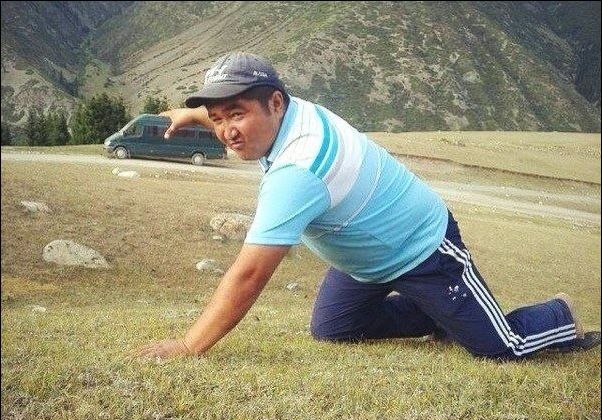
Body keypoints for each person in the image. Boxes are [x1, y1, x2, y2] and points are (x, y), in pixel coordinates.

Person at [136, 52, 600, 360]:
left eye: (236, 115)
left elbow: (250, 274)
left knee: (499, 348)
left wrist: (189, 346)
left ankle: (558, 315)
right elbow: (230, 116)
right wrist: (193, 114)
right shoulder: (287, 112)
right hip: (363, 262)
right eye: (217, 119)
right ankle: (437, 313)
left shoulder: (298, 169)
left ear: (275, 103)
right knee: (333, 329)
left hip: (422, 248)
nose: (227, 131)